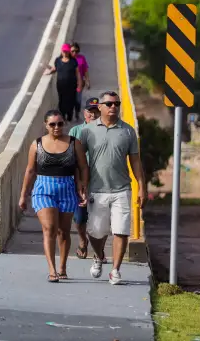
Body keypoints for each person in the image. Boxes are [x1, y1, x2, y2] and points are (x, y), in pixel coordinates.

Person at [78, 90, 147, 285]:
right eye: (109, 104)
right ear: (100, 107)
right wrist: (81, 184)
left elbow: (135, 161)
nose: (113, 107)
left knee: (121, 231)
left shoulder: (128, 131)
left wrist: (142, 187)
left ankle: (115, 270)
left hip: (122, 190)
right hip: (97, 190)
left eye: (117, 104)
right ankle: (99, 255)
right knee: (96, 232)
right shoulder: (88, 131)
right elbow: (80, 161)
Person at [19, 109, 89, 282]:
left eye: (60, 124)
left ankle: (62, 267)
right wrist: (23, 195)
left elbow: (83, 167)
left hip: (67, 189)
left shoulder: (74, 143)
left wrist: (82, 185)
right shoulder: (37, 144)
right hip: (44, 189)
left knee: (63, 232)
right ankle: (52, 270)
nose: (56, 127)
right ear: (46, 125)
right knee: (50, 228)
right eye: (52, 124)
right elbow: (30, 170)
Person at [68, 97, 101, 260]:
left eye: (96, 112)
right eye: (90, 111)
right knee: (80, 218)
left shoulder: (105, 131)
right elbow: (69, 157)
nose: (93, 115)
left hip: (100, 182)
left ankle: (98, 249)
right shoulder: (75, 132)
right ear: (84, 113)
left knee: (99, 219)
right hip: (79, 181)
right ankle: (82, 241)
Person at [45, 43, 82, 122]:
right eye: (64, 51)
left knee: (71, 101)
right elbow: (55, 69)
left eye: (66, 51)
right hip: (61, 86)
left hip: (72, 86)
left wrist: (79, 84)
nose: (65, 53)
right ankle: (63, 116)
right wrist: (49, 72)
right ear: (62, 51)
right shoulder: (57, 60)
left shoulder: (73, 61)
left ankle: (69, 116)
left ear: (69, 52)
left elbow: (78, 73)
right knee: (62, 101)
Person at [70, 42, 91, 121]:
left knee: (78, 99)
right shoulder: (68, 59)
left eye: (76, 51)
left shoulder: (81, 58)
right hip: (69, 83)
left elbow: (85, 70)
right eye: (72, 51)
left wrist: (87, 81)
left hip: (80, 83)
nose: (74, 53)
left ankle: (77, 114)